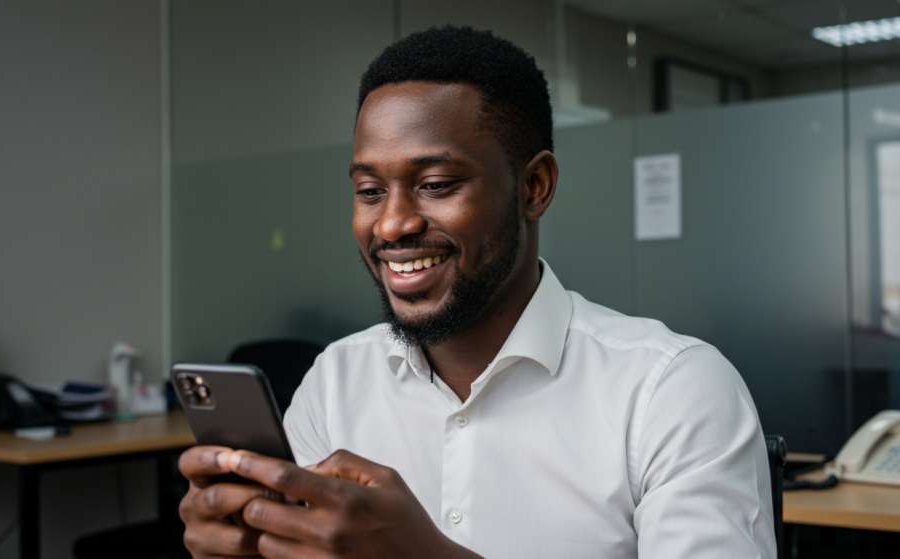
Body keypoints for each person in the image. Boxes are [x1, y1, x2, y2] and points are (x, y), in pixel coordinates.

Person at [178, 25, 775, 559]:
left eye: (436, 184)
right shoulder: (335, 383)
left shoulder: (672, 391)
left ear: (534, 187)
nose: (391, 225)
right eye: (368, 191)